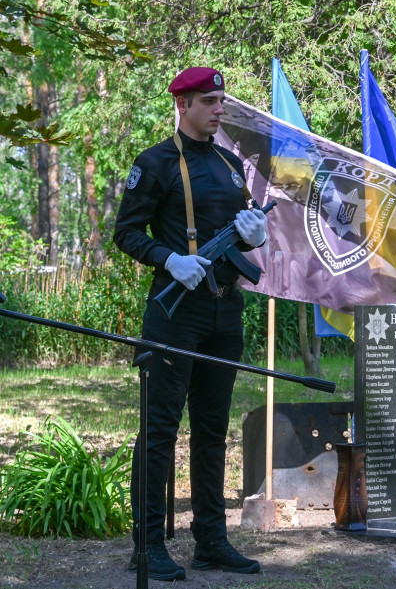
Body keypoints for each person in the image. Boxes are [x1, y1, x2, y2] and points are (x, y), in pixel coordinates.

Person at [114, 67, 267, 581]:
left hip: (225, 311)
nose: (219, 108)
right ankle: (148, 546)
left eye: (222, 100)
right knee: (159, 431)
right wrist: (168, 258)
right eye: (209, 101)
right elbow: (127, 232)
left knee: (211, 430)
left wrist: (253, 235)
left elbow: (243, 233)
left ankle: (211, 541)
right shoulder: (155, 162)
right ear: (183, 104)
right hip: (174, 312)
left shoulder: (229, 164)